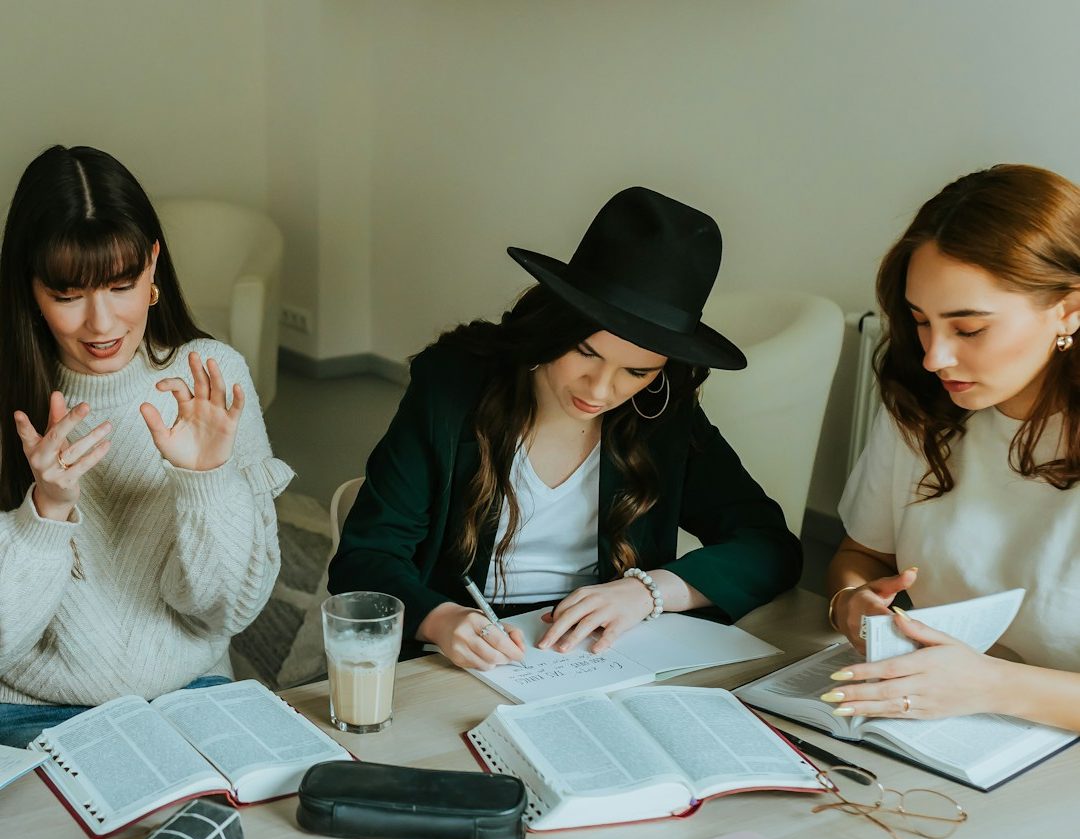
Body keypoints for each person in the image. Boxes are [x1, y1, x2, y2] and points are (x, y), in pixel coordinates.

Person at [329, 186, 802, 667]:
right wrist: (440, 618)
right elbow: (366, 557)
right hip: (472, 649)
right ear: (554, 327)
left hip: (600, 653)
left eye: (636, 372)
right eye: (586, 353)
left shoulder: (661, 416)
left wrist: (646, 592)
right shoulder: (453, 388)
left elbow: (768, 545)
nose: (599, 390)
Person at [0, 145, 293, 748]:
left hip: (191, 691)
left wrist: (207, 482)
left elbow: (226, 612)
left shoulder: (212, 377)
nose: (101, 324)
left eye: (120, 285)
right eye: (67, 295)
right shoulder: (10, 401)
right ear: (28, 287)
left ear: (153, 264)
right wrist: (46, 513)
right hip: (33, 713)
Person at [824, 163, 1080, 731]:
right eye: (920, 322)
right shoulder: (923, 405)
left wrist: (995, 686)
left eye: (968, 330)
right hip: (943, 728)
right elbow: (861, 557)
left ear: (1068, 309)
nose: (935, 357)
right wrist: (851, 603)